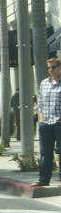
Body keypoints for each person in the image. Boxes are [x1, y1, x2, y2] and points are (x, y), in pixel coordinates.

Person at [32, 57, 61, 187]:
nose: (50, 70)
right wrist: (41, 119)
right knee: (45, 153)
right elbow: (40, 104)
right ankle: (43, 180)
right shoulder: (44, 83)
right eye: (48, 68)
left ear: (59, 67)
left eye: (53, 67)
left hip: (59, 123)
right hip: (45, 124)